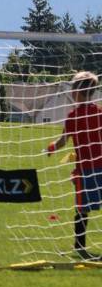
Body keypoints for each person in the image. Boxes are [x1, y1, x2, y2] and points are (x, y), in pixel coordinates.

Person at [46, 71, 102, 260]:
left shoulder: (73, 116)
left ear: (77, 91)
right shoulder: (99, 113)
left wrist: (52, 147)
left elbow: (63, 140)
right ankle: (79, 246)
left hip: (85, 170)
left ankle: (79, 245)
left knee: (82, 208)